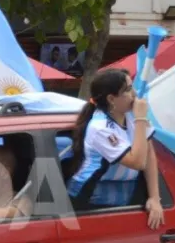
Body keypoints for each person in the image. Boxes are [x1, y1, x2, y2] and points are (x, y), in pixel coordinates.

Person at [67, 69, 165, 230]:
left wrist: (155, 198)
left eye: (131, 87)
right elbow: (138, 162)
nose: (133, 94)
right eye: (127, 90)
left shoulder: (132, 116)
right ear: (112, 99)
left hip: (125, 191)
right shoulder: (100, 128)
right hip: (92, 196)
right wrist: (141, 118)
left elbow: (149, 154)